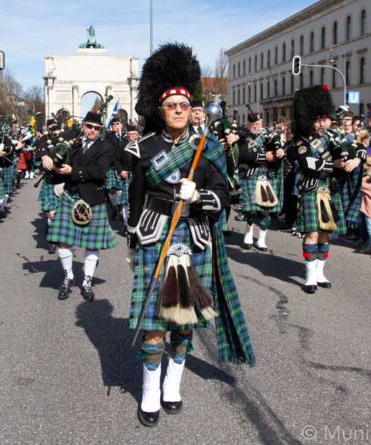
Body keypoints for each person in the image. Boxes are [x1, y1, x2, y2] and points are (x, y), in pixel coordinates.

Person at [128, 43, 254, 428]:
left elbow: (223, 193)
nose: (179, 110)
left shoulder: (207, 146)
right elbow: (134, 200)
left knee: (183, 323)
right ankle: (149, 391)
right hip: (155, 237)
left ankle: (172, 385)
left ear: (191, 107)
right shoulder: (143, 149)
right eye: (172, 105)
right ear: (161, 110)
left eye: (184, 104)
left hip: (193, 235)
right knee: (153, 325)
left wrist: (199, 195)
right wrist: (133, 243)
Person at [40, 111, 116, 301]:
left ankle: (87, 281)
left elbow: (99, 171)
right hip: (70, 196)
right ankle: (69, 276)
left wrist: (73, 171)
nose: (92, 130)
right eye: (89, 126)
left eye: (97, 128)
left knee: (92, 244)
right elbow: (51, 149)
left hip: (93, 198)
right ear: (83, 126)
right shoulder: (74, 144)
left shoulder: (105, 147)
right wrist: (47, 159)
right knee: (63, 241)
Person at [291, 85, 347, 293]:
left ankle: (320, 272)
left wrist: (354, 159)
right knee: (312, 233)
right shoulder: (301, 140)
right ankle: (309, 275)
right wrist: (336, 164)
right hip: (311, 188)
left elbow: (354, 149)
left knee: (325, 233)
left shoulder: (332, 138)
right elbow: (309, 164)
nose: (322, 123)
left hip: (328, 189)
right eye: (318, 119)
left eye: (325, 118)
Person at [237, 112, 284, 252]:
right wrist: (264, 156)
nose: (255, 126)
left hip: (267, 175)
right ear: (248, 125)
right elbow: (244, 154)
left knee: (265, 210)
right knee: (252, 209)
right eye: (252, 124)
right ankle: (248, 233)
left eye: (257, 124)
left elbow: (276, 149)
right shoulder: (245, 138)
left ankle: (262, 238)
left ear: (262, 124)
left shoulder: (270, 136)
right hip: (252, 174)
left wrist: (279, 150)